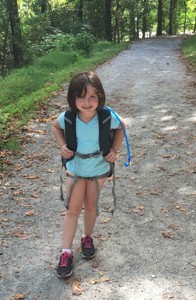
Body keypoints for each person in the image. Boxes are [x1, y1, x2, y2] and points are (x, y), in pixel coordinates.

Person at [52, 71, 126, 278]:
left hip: (98, 170)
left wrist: (115, 150)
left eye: (93, 96)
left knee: (92, 206)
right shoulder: (67, 118)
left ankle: (87, 237)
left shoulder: (106, 117)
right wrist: (62, 146)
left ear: (100, 97)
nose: (87, 102)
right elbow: (56, 127)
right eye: (81, 96)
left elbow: (122, 127)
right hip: (75, 169)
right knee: (73, 210)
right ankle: (66, 252)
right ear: (72, 98)